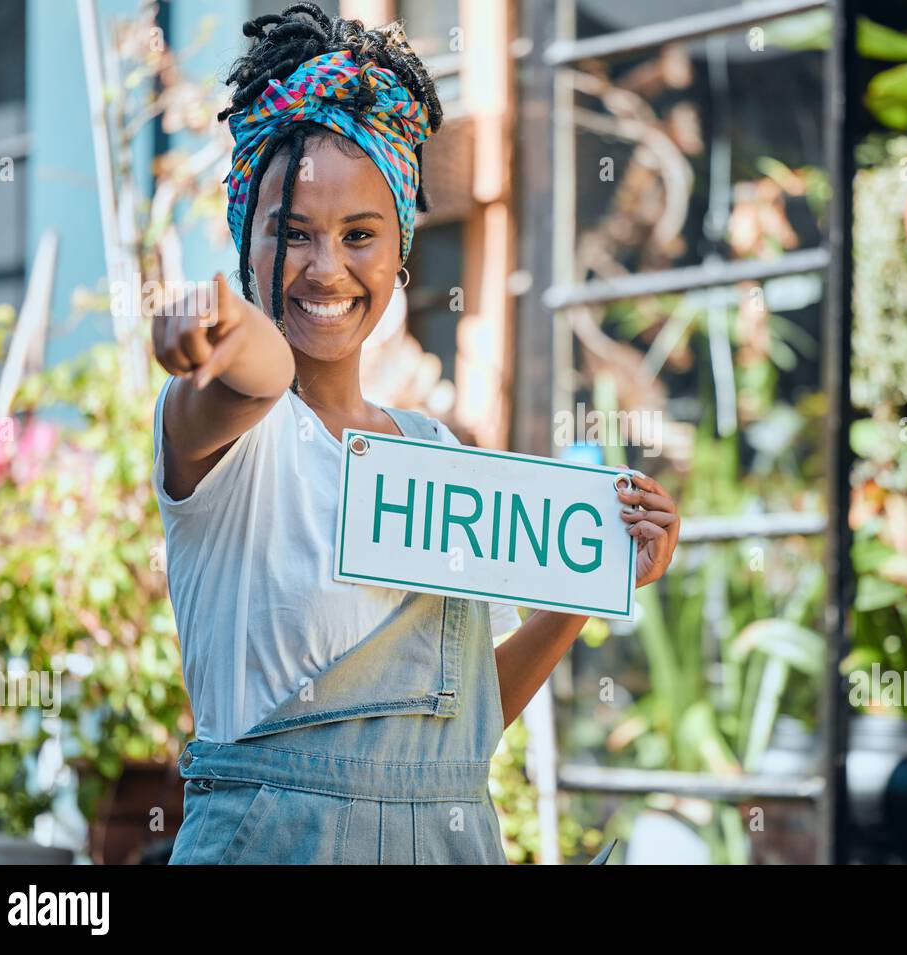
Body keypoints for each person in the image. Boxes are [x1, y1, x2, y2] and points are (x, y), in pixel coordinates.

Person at [152, 4, 680, 864]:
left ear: (401, 251)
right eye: (291, 233)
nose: (326, 267)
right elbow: (260, 369)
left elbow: (461, 731)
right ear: (244, 242)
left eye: (359, 235)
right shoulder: (221, 426)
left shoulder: (433, 451)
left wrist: (595, 583)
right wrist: (208, 320)